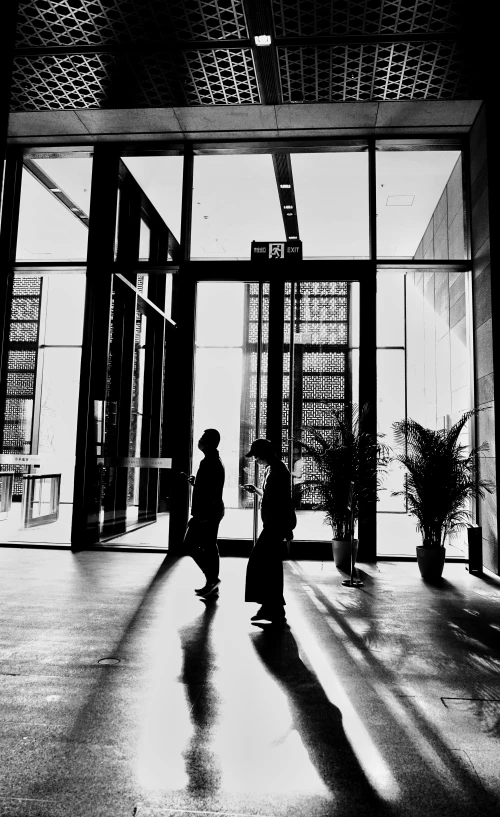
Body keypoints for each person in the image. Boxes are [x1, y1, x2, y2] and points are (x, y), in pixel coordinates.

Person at [242, 438, 296, 624]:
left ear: (264, 454)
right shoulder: (272, 469)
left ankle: (271, 607)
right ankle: (273, 607)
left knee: (259, 562)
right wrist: (257, 490)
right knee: (270, 566)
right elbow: (271, 496)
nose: (256, 459)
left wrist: (287, 528)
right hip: (272, 525)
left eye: (256, 456)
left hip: (276, 525)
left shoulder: (279, 471)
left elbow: (284, 502)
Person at [182, 428, 225, 598]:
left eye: (202, 438)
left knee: (189, 545)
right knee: (209, 546)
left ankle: (213, 579)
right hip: (213, 511)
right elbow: (209, 488)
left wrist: (202, 517)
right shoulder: (213, 460)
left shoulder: (209, 462)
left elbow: (212, 493)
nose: (199, 441)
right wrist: (196, 483)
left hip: (207, 513)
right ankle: (212, 585)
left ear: (209, 442)